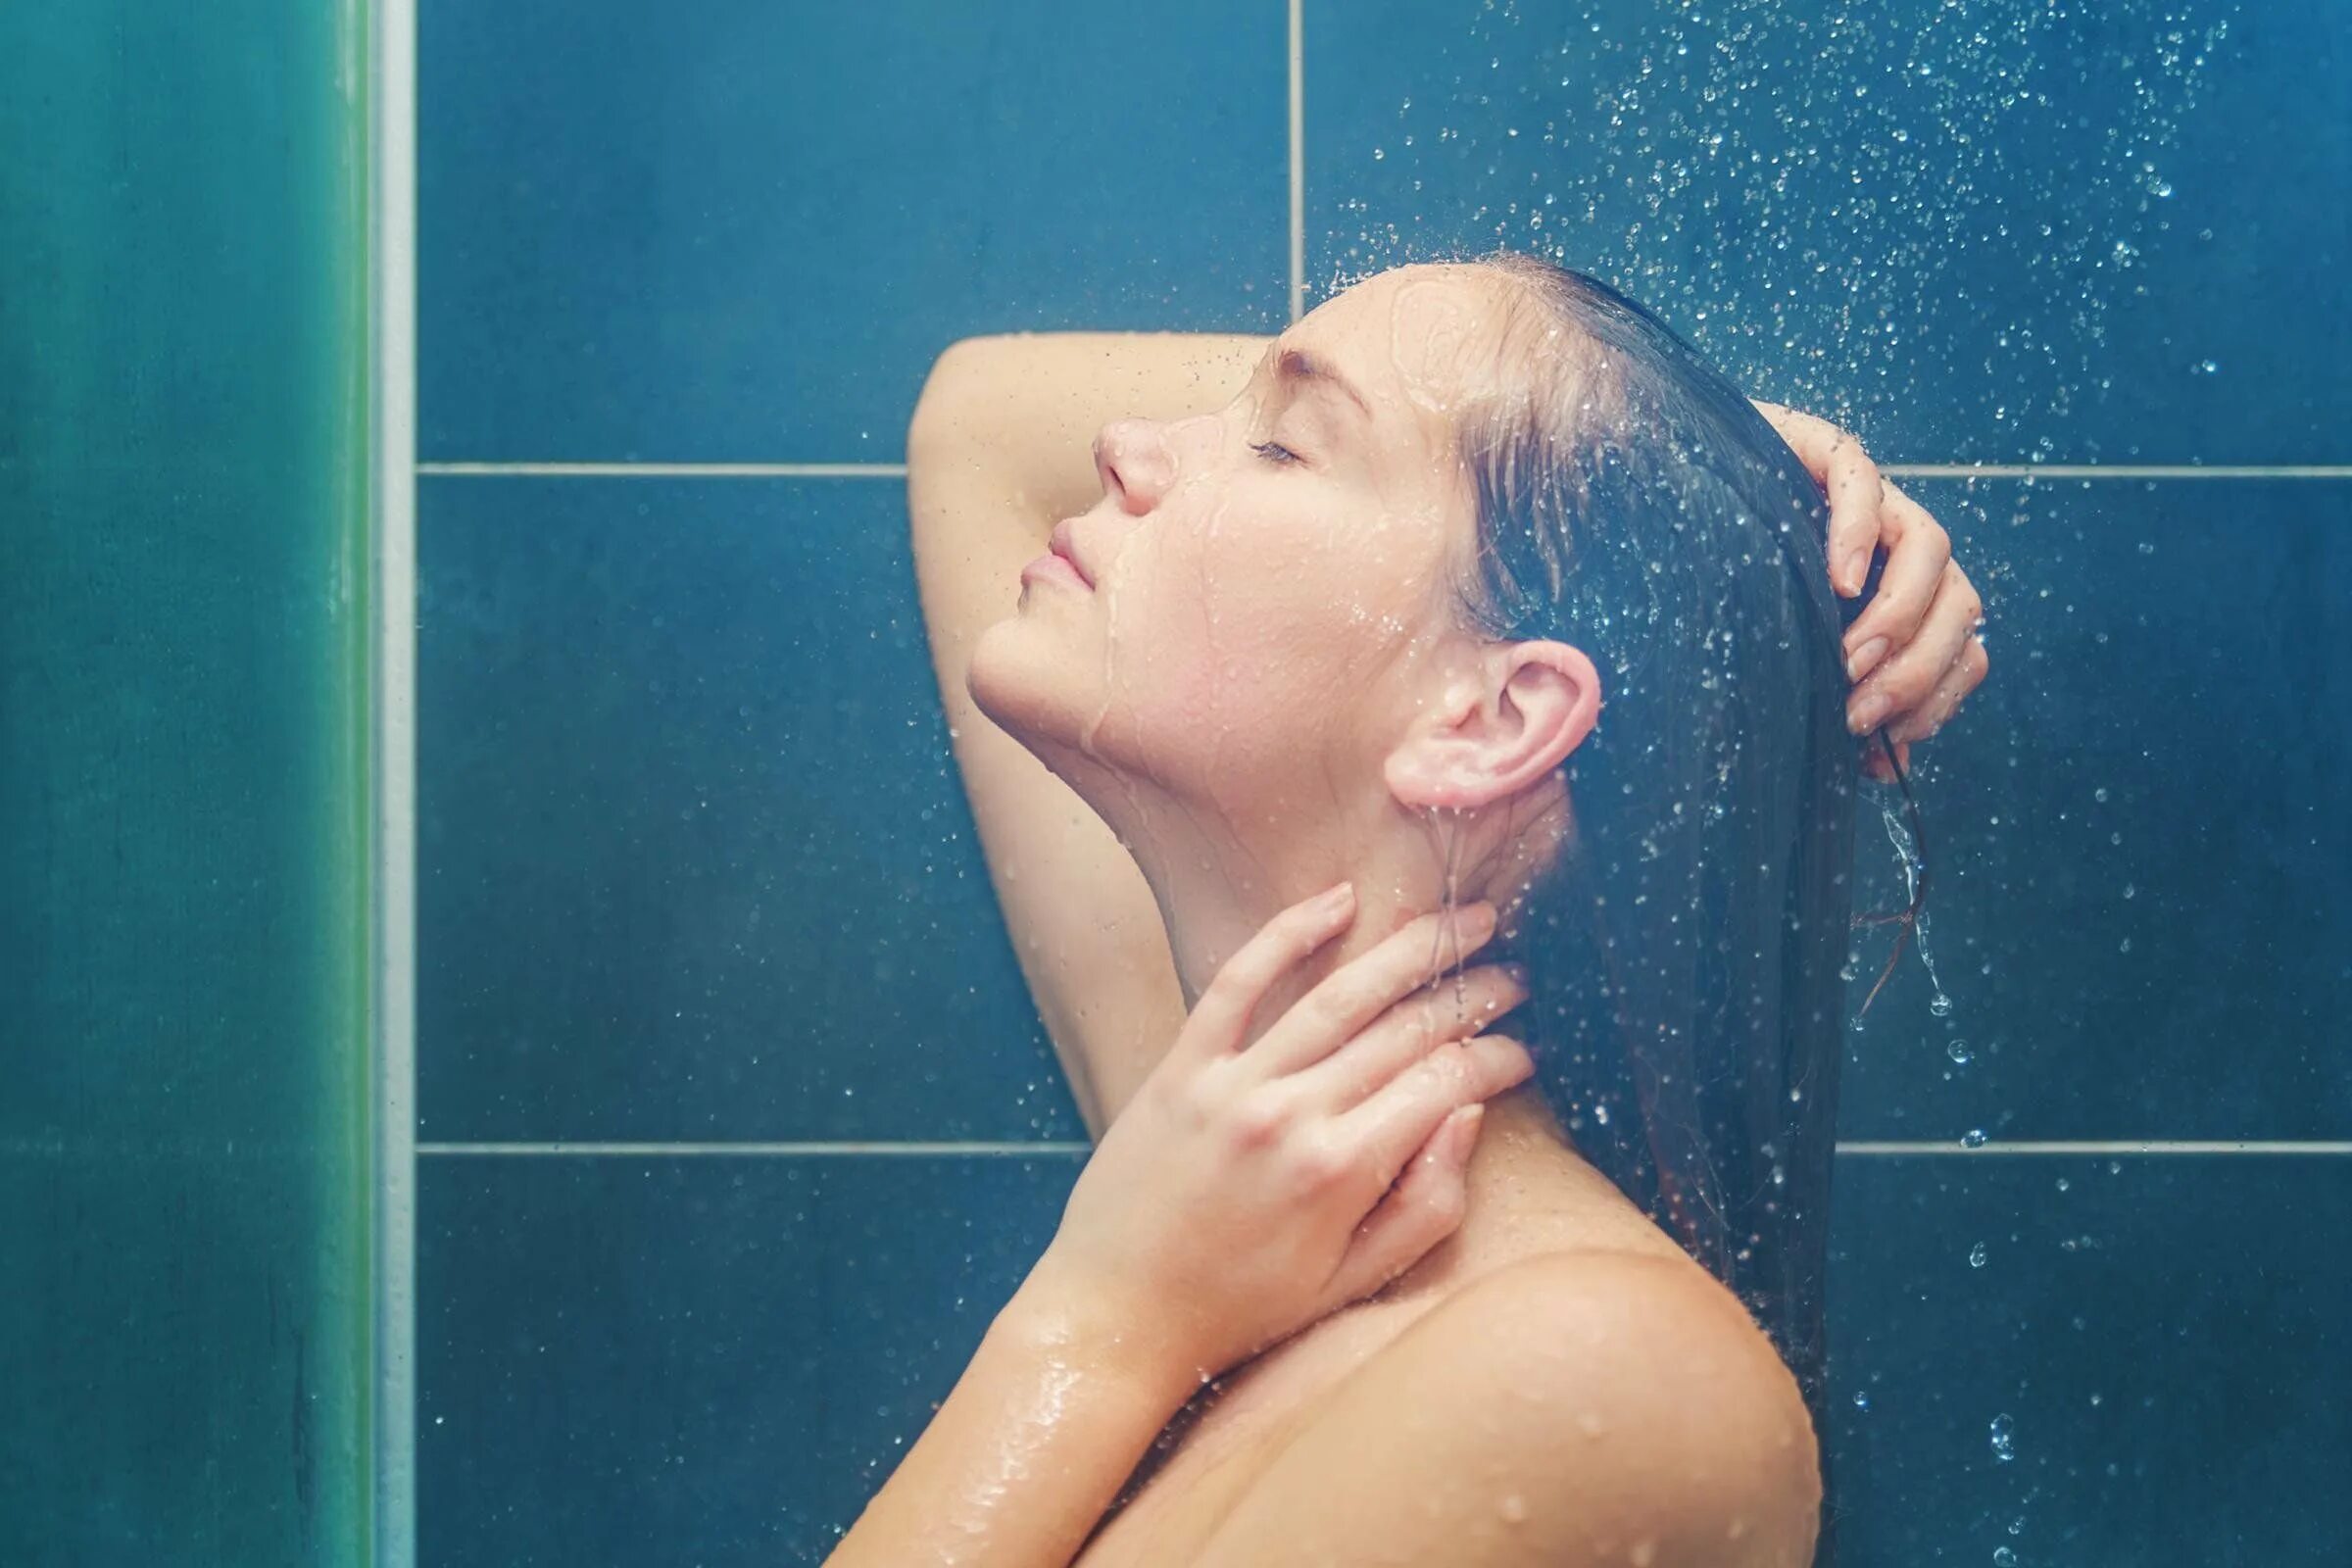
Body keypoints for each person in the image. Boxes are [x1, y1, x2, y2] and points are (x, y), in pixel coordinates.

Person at [832, 251, 1987, 1568]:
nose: (1125, 449)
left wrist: (1104, 1320)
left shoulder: (1589, 1371)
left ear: (1494, 717)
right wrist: (1665, 475)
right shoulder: (1239, 1178)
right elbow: (982, 423)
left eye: (1279, 446)